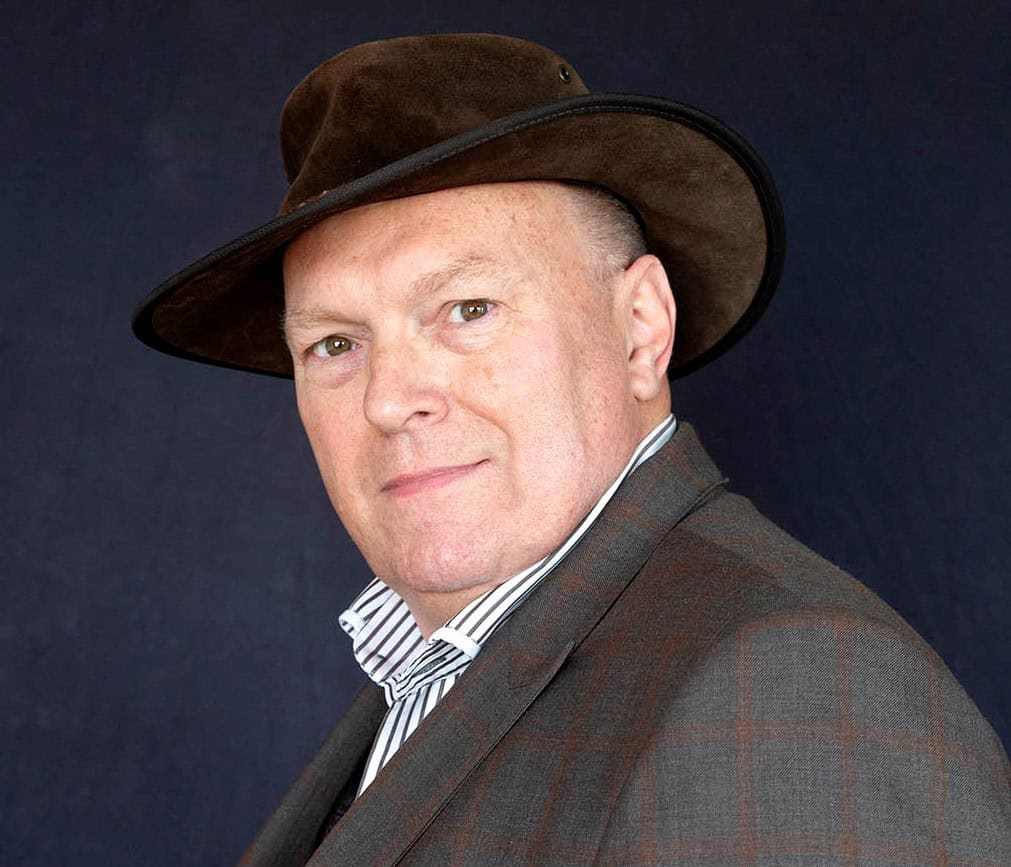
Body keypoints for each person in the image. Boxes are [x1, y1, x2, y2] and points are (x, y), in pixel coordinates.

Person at [133, 33, 1010, 866]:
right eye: (334, 344)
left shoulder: (801, 693)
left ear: (639, 329)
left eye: (468, 309)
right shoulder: (431, 676)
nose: (389, 399)